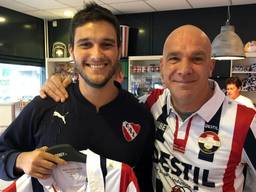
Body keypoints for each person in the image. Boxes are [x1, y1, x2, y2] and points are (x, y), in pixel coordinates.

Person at [41, 25, 256, 191]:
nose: (184, 69)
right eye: (174, 59)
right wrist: (63, 85)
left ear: (210, 66)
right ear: (162, 67)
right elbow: (108, 101)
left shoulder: (247, 123)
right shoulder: (151, 103)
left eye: (197, 59)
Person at [0, 3, 155, 191]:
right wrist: (21, 160)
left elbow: (144, 182)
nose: (96, 55)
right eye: (85, 44)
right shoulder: (45, 105)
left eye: (106, 44)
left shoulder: (140, 115)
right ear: (71, 51)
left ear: (119, 50)